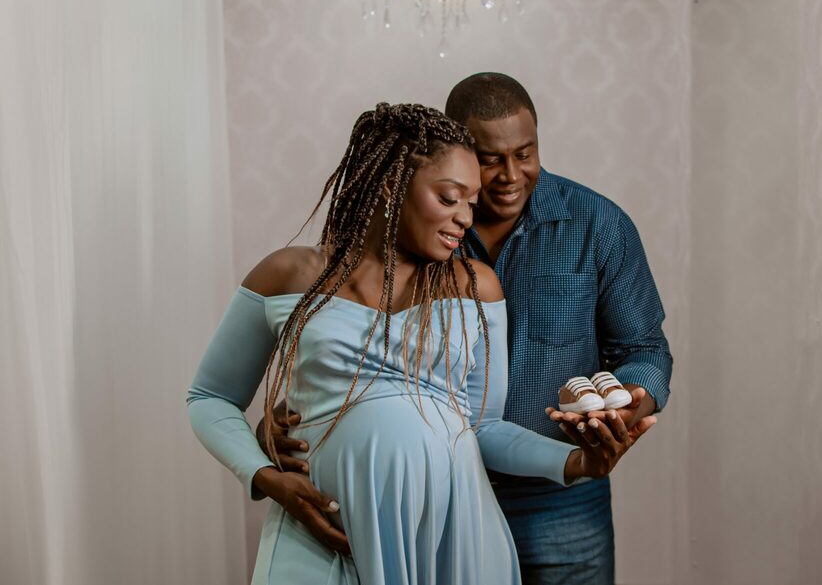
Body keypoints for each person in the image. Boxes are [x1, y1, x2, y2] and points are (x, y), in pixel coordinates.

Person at [186, 103, 622, 585]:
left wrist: (577, 461)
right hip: (324, 529)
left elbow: (485, 427)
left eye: (471, 202)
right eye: (449, 198)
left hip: (453, 531)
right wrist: (267, 478)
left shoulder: (474, 286)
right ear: (393, 185)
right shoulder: (288, 275)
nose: (465, 218)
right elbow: (209, 396)